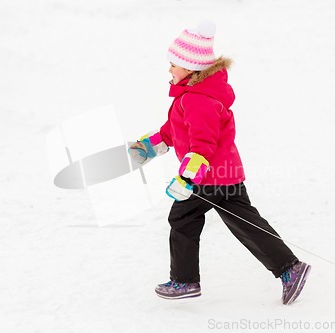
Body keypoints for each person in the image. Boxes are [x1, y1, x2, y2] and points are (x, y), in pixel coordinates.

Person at [128, 20, 311, 305]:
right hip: (226, 174)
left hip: (208, 177)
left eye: (174, 64)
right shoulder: (193, 96)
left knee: (182, 218)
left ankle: (184, 280)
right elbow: (172, 132)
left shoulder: (199, 100)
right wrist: (147, 148)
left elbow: (203, 146)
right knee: (246, 223)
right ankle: (290, 269)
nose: (169, 69)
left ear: (192, 69)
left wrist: (187, 179)